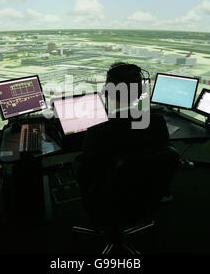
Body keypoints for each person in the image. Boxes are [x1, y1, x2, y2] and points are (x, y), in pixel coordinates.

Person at [73, 62, 174, 207]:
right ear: (140, 91)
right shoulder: (157, 122)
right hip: (147, 193)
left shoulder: (98, 131)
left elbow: (84, 172)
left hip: (108, 200)